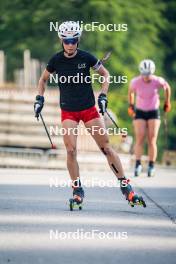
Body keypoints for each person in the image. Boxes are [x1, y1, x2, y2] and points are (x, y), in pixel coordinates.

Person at [34, 21, 144, 206]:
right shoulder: (56, 60)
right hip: (68, 111)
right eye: (67, 40)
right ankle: (77, 191)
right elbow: (43, 79)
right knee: (70, 151)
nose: (70, 44)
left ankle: (126, 187)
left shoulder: (87, 57)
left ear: (78, 40)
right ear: (61, 40)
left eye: (74, 40)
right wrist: (39, 99)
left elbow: (106, 75)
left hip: (88, 109)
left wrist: (103, 95)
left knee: (107, 148)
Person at [128, 59, 171, 177]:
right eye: (144, 74)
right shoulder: (135, 82)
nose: (146, 77)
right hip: (140, 111)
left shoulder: (157, 81)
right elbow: (131, 91)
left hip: (153, 111)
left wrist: (167, 102)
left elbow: (167, 88)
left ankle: (151, 165)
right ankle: (138, 164)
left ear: (152, 72)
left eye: (148, 74)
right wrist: (131, 105)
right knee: (140, 137)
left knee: (152, 138)